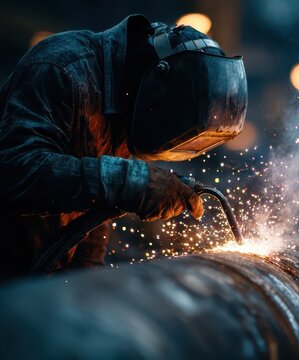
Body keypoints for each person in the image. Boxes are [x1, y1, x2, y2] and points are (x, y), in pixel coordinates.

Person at [0, 15, 247, 280]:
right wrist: (133, 182)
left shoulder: (127, 96)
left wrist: (86, 283)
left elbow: (91, 213)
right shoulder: (61, 68)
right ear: (156, 87)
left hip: (36, 284)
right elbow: (15, 172)